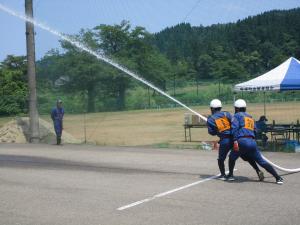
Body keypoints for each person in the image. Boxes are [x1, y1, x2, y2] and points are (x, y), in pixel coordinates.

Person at [228, 99, 283, 184]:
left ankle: (230, 175)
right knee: (261, 161)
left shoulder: (236, 116)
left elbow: (234, 129)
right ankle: (278, 177)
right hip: (252, 141)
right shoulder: (250, 117)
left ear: (237, 109)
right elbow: (255, 130)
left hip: (242, 141)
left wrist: (235, 141)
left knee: (232, 157)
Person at [207, 99, 264, 181]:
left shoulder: (211, 119)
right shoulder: (227, 113)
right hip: (236, 138)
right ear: (220, 107)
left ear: (212, 109)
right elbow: (234, 122)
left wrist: (218, 130)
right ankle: (258, 170)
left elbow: (211, 132)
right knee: (246, 156)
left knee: (221, 159)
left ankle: (224, 175)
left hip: (225, 141)